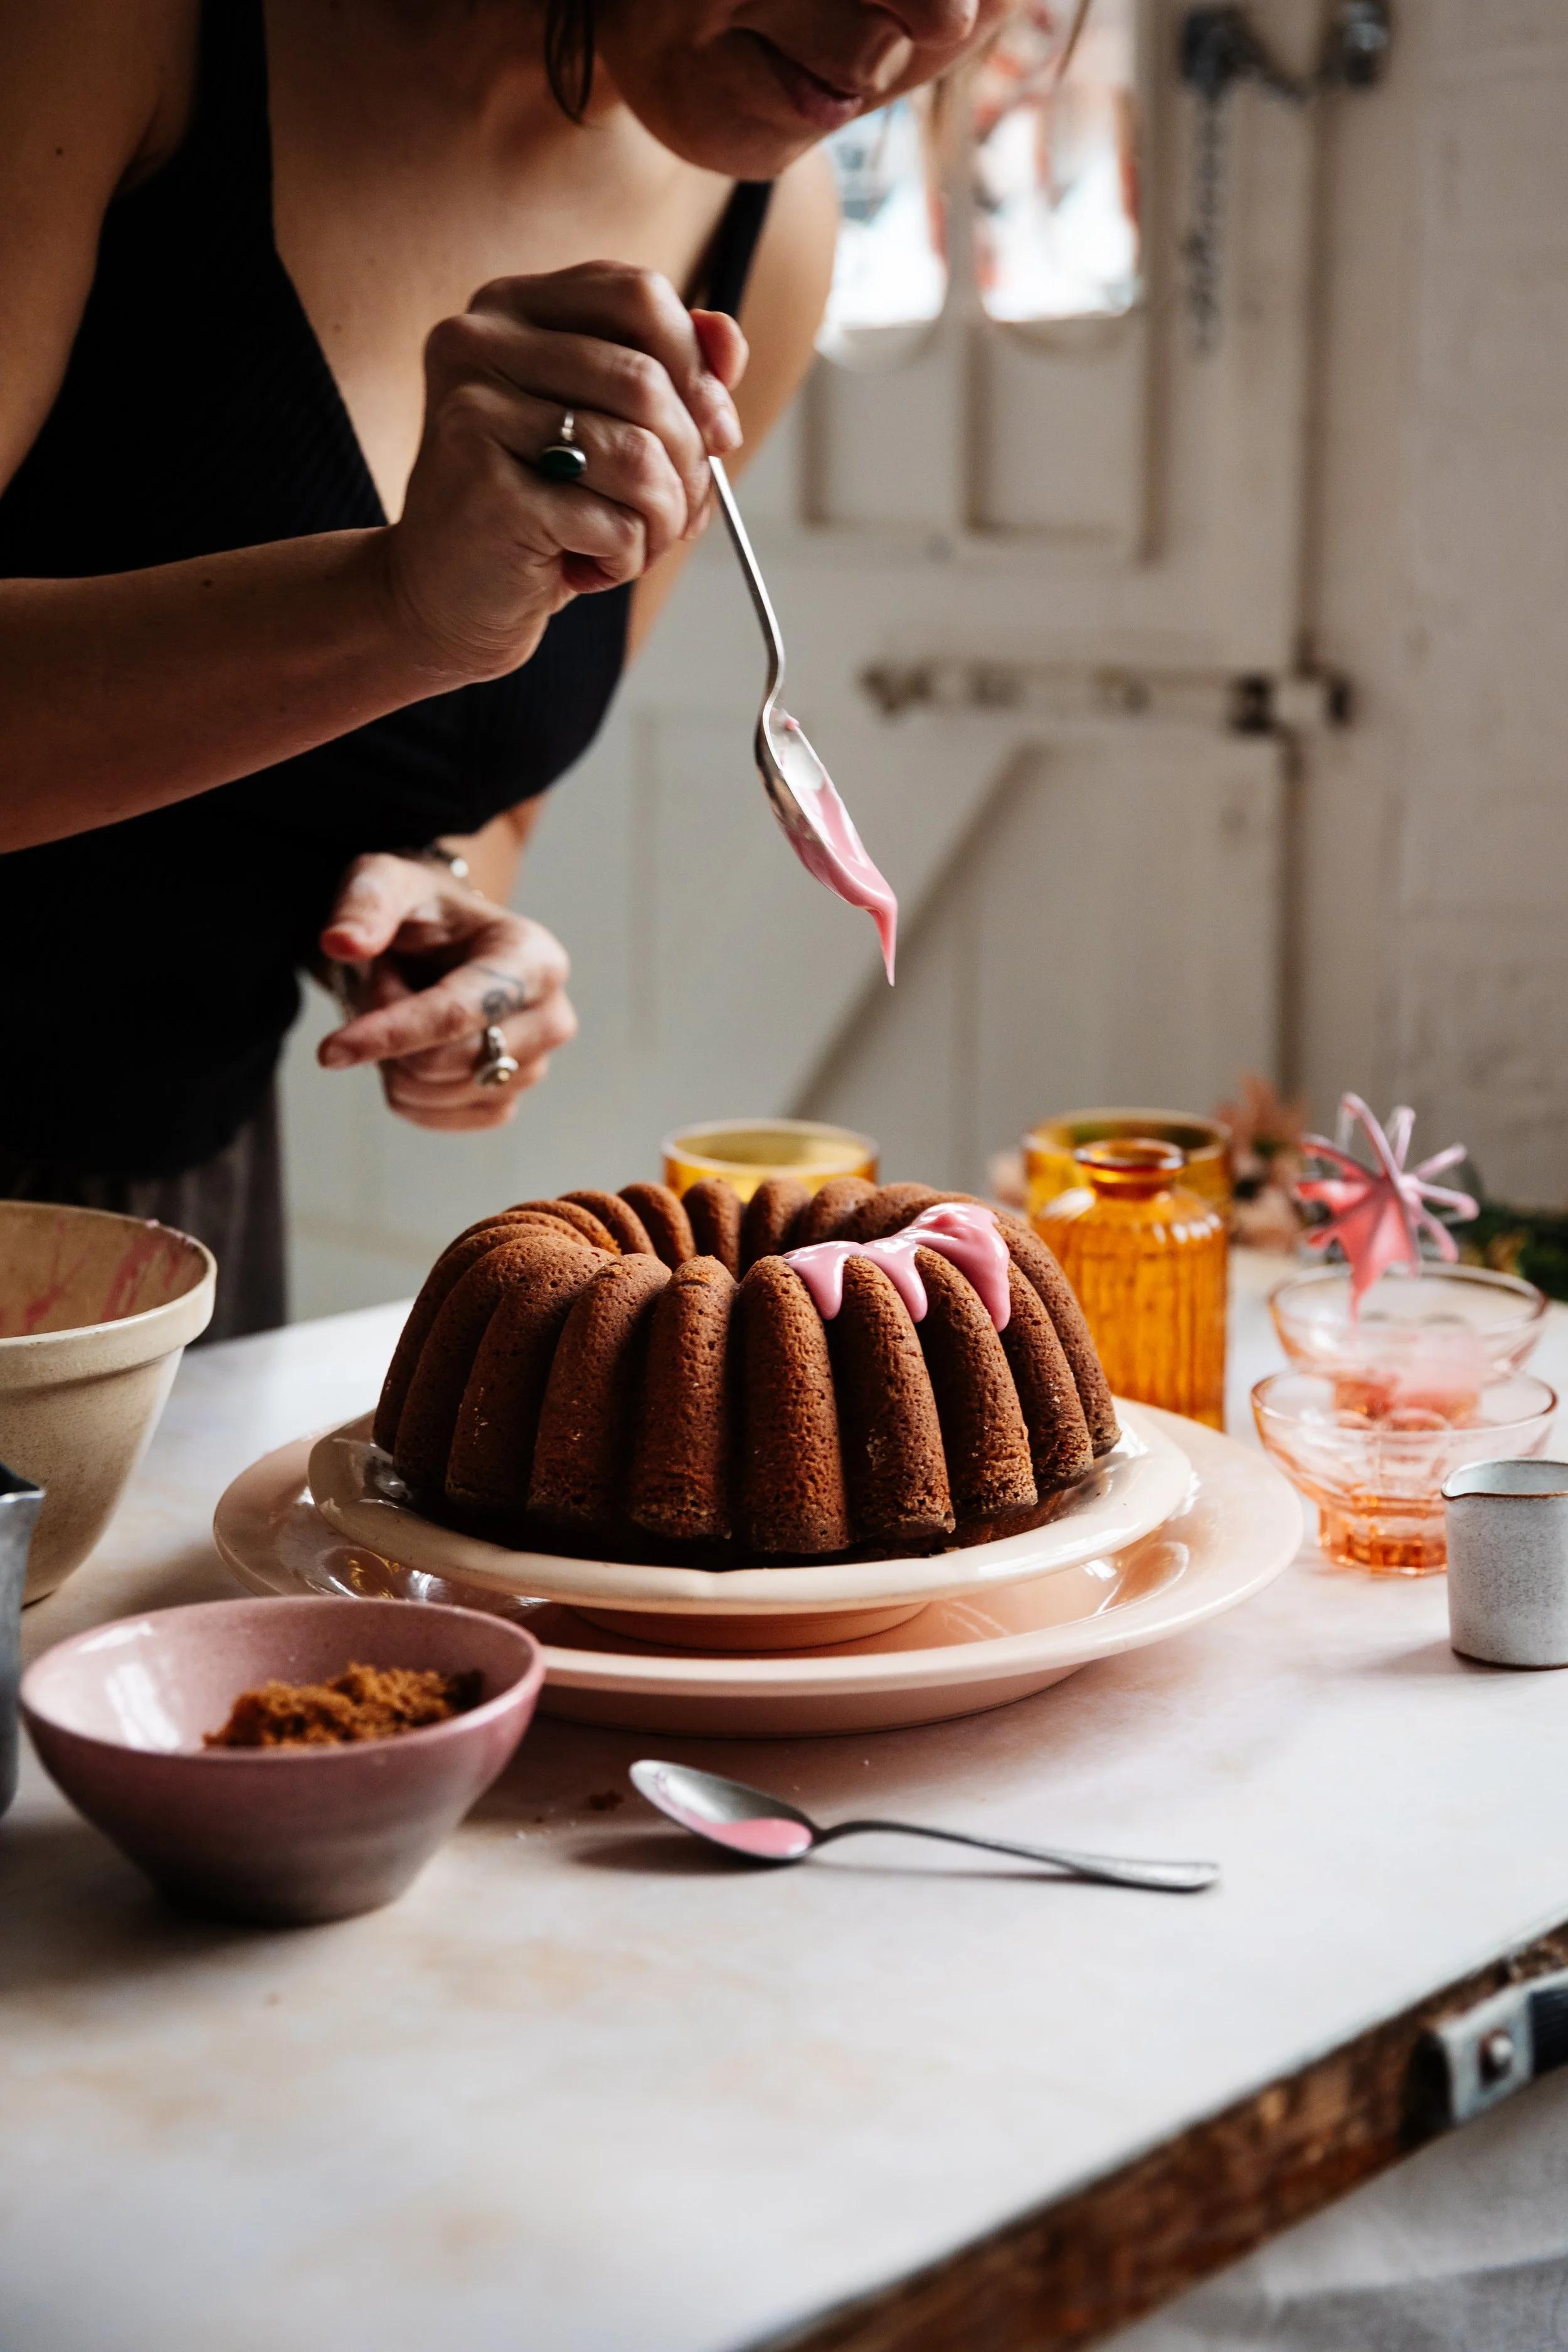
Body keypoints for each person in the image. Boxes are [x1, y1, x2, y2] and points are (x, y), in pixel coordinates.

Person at [0, 0, 997, 1337]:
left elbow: (484, 780)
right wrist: (390, 610)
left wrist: (441, 899)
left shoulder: (770, 227)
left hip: (168, 1226)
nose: (940, 17)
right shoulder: (110, 34)